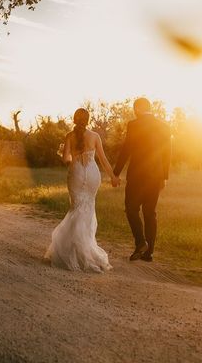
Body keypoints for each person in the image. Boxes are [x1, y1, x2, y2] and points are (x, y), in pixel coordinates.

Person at [45, 108, 120, 272]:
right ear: (87, 120)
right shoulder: (95, 136)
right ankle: (85, 251)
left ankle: (73, 253)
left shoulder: (69, 137)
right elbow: (104, 160)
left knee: (76, 209)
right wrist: (113, 177)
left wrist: (64, 152)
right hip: (93, 174)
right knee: (87, 210)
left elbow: (66, 159)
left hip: (76, 173)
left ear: (74, 119)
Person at [113, 97, 171, 262]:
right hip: (156, 176)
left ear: (137, 109)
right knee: (150, 213)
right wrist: (164, 177)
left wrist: (116, 172)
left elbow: (126, 150)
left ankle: (140, 243)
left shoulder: (134, 125)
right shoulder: (164, 126)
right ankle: (149, 253)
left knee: (131, 209)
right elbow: (168, 153)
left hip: (137, 175)